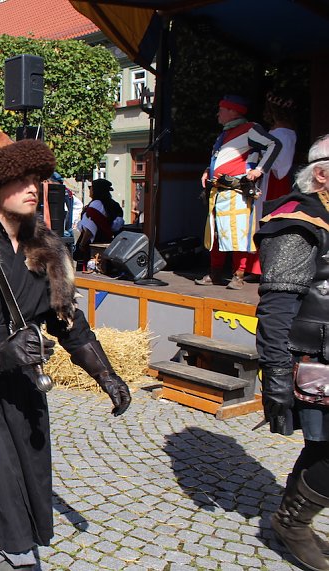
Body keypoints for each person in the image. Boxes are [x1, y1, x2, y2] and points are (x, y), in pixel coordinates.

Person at [0, 134, 131, 571]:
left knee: (19, 487)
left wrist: (106, 375)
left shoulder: (47, 247)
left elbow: (68, 322)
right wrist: (0, 353)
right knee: (0, 501)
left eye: (37, 179)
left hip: (26, 393)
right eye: (21, 180)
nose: (34, 188)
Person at [254, 135, 329, 571]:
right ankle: (294, 525)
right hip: (315, 360)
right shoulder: (297, 221)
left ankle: (291, 519)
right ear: (321, 174)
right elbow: (278, 306)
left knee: (322, 448)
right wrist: (277, 377)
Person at [196, 94, 280, 290]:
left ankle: (238, 274)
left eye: (222, 109)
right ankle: (215, 273)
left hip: (237, 191)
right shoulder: (224, 134)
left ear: (233, 111)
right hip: (218, 191)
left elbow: (274, 144)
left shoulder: (250, 128)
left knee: (237, 234)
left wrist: (260, 169)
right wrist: (208, 171)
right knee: (216, 232)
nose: (218, 113)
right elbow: (220, 159)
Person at [73, 178, 124, 264]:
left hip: (93, 244)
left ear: (96, 190)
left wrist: (82, 244)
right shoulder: (113, 204)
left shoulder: (96, 205)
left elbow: (89, 229)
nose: (90, 190)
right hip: (106, 243)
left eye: (91, 188)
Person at [263, 92, 298, 202]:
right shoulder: (279, 132)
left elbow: (281, 165)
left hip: (275, 180)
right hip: (268, 176)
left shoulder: (284, 134)